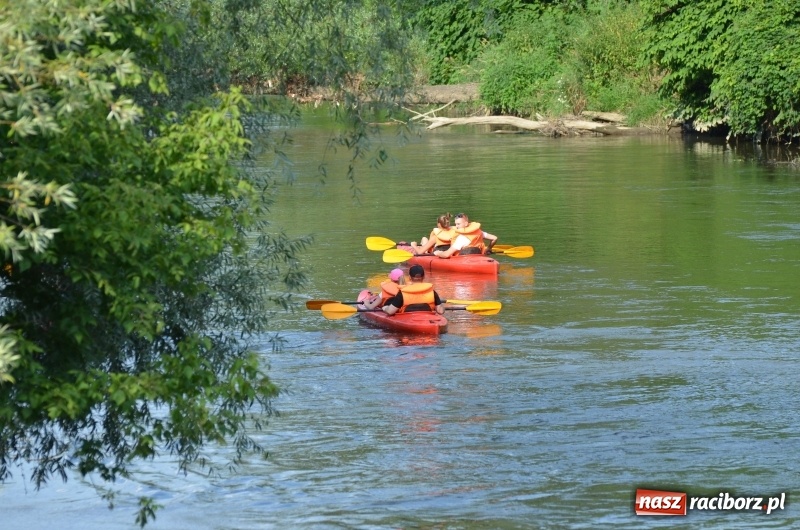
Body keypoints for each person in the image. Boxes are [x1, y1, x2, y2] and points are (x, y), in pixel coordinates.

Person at [433, 212, 497, 258]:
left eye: (458, 224)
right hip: (479, 257)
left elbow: (446, 255)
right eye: (456, 224)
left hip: (465, 261)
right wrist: (488, 249)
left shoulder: (461, 238)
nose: (456, 226)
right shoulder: (479, 232)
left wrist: (438, 253)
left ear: (466, 224)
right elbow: (494, 238)